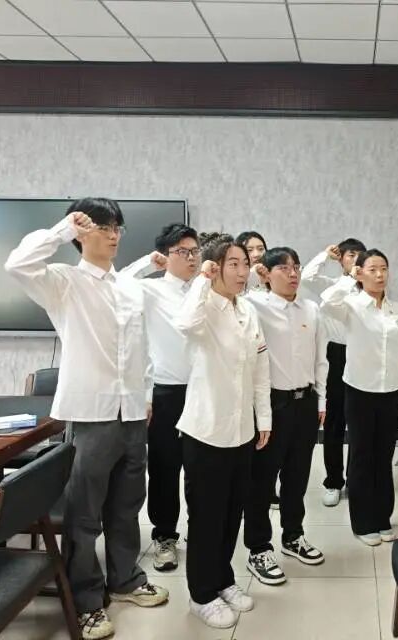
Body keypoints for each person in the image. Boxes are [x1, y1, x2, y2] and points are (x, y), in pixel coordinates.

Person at [4, 198, 168, 640]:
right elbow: (17, 264)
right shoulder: (64, 282)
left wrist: (145, 396)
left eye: (117, 227)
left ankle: (126, 578)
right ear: (81, 232)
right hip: (92, 414)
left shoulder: (127, 287)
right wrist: (62, 230)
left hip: (132, 412)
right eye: (102, 227)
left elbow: (140, 350)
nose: (113, 235)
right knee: (84, 514)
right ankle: (86, 600)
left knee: (127, 505)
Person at [174, 238, 272, 629]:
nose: (242, 271)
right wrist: (202, 279)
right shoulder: (203, 308)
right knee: (206, 517)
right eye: (233, 264)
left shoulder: (247, 310)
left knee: (232, 512)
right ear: (215, 267)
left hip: (241, 431)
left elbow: (260, 369)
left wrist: (264, 418)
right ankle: (201, 595)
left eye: (245, 263)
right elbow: (184, 324)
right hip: (206, 432)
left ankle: (222, 579)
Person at [244, 247, 328, 586]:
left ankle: (293, 535)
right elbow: (234, 293)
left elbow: (321, 358)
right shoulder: (255, 306)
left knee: (297, 475)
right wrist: (253, 274)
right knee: (261, 480)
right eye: (283, 268)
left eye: (296, 267)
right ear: (267, 274)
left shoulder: (311, 309)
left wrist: (322, 400)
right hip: (271, 404)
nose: (293, 274)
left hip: (305, 402)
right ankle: (258, 548)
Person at [119, 223, 201, 572]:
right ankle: (165, 536)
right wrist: (146, 264)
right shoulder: (150, 290)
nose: (192, 258)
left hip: (204, 391)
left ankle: (200, 532)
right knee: (165, 468)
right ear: (166, 255)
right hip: (167, 393)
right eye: (183, 251)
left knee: (201, 468)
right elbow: (117, 283)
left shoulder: (205, 289)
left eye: (195, 251)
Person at [320, 249, 398, 546]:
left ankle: (382, 518)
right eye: (372, 269)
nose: (380, 274)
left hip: (390, 392)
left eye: (384, 268)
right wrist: (350, 277)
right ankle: (362, 522)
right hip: (360, 391)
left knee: (384, 457)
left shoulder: (397, 309)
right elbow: (326, 302)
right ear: (360, 273)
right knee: (361, 456)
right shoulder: (352, 305)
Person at [301, 238, 366, 507]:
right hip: (336, 354)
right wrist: (325, 255)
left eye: (360, 255)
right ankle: (333, 481)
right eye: (350, 255)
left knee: (360, 424)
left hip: (362, 355)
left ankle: (356, 481)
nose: (356, 259)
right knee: (334, 422)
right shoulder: (333, 285)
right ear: (341, 260)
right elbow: (307, 277)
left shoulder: (368, 290)